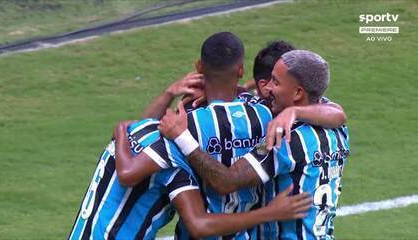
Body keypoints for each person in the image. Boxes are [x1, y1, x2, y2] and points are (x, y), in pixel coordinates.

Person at [68, 33, 311, 240]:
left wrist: (121, 130)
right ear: (240, 70)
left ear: (199, 68)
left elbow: (130, 168)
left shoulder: (182, 129)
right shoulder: (264, 115)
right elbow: (334, 113)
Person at [159, 50, 350, 239]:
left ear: (298, 93)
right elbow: (337, 112)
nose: (268, 89)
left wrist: (181, 136)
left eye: (276, 82)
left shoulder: (285, 139)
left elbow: (226, 181)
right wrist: (295, 112)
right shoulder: (338, 129)